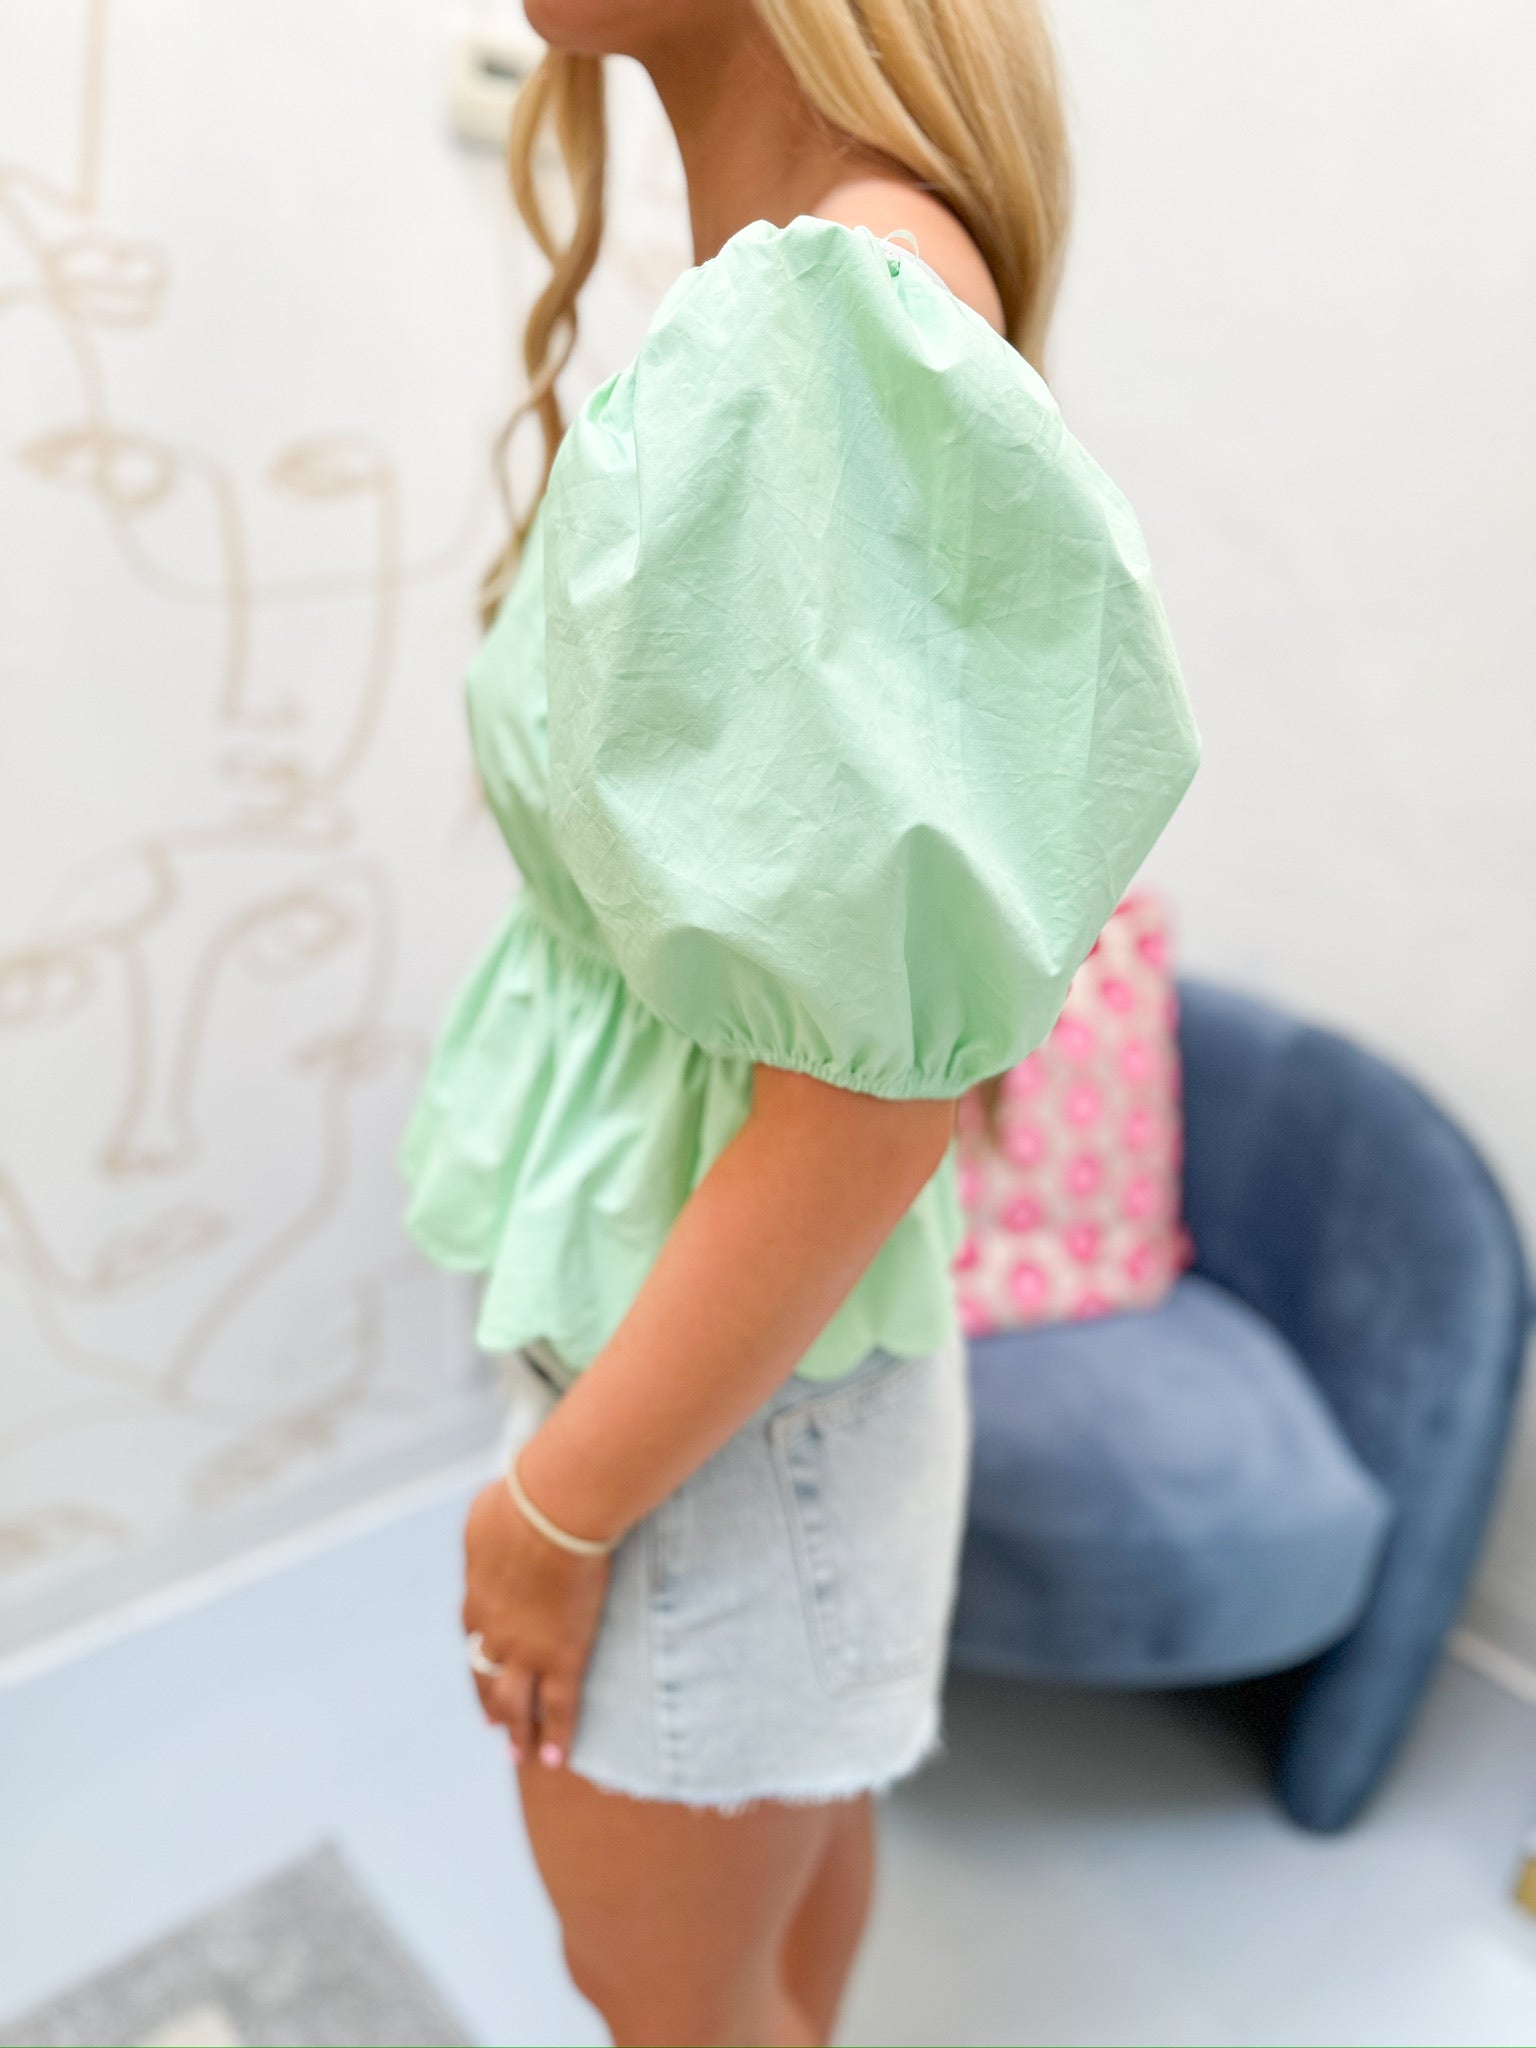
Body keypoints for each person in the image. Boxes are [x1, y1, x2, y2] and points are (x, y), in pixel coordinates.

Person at [399, 3, 1202, 2041]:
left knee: (675, 1998)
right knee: (762, 1974)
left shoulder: (831, 329)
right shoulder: (821, 296)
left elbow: (859, 1109)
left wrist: (552, 1507)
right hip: (752, 1389)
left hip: (713, 1429)